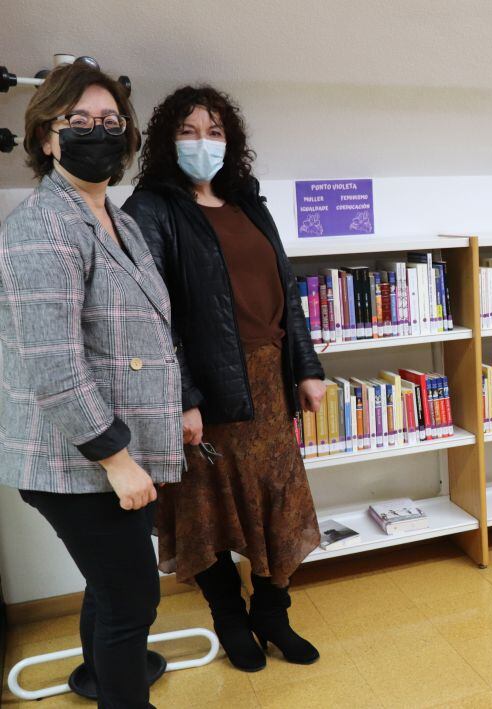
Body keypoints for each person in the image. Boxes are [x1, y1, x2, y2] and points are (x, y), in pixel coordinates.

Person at [123, 86, 326, 671]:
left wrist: (307, 369)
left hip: (268, 381)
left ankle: (272, 615)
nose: (202, 143)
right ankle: (229, 620)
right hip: (205, 389)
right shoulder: (151, 209)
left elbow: (288, 292)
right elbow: (150, 315)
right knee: (206, 508)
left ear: (229, 140)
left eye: (213, 131)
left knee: (277, 503)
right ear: (167, 140)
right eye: (188, 131)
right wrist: (184, 398)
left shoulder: (247, 201)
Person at [0, 62, 183, 708]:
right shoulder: (41, 227)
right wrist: (118, 459)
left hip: (113, 453)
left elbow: (147, 328)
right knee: (133, 599)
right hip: (76, 460)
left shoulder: (117, 220)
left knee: (111, 589)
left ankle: (99, 677)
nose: (98, 133)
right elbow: (55, 366)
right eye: (78, 123)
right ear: (47, 138)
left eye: (110, 122)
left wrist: (178, 406)